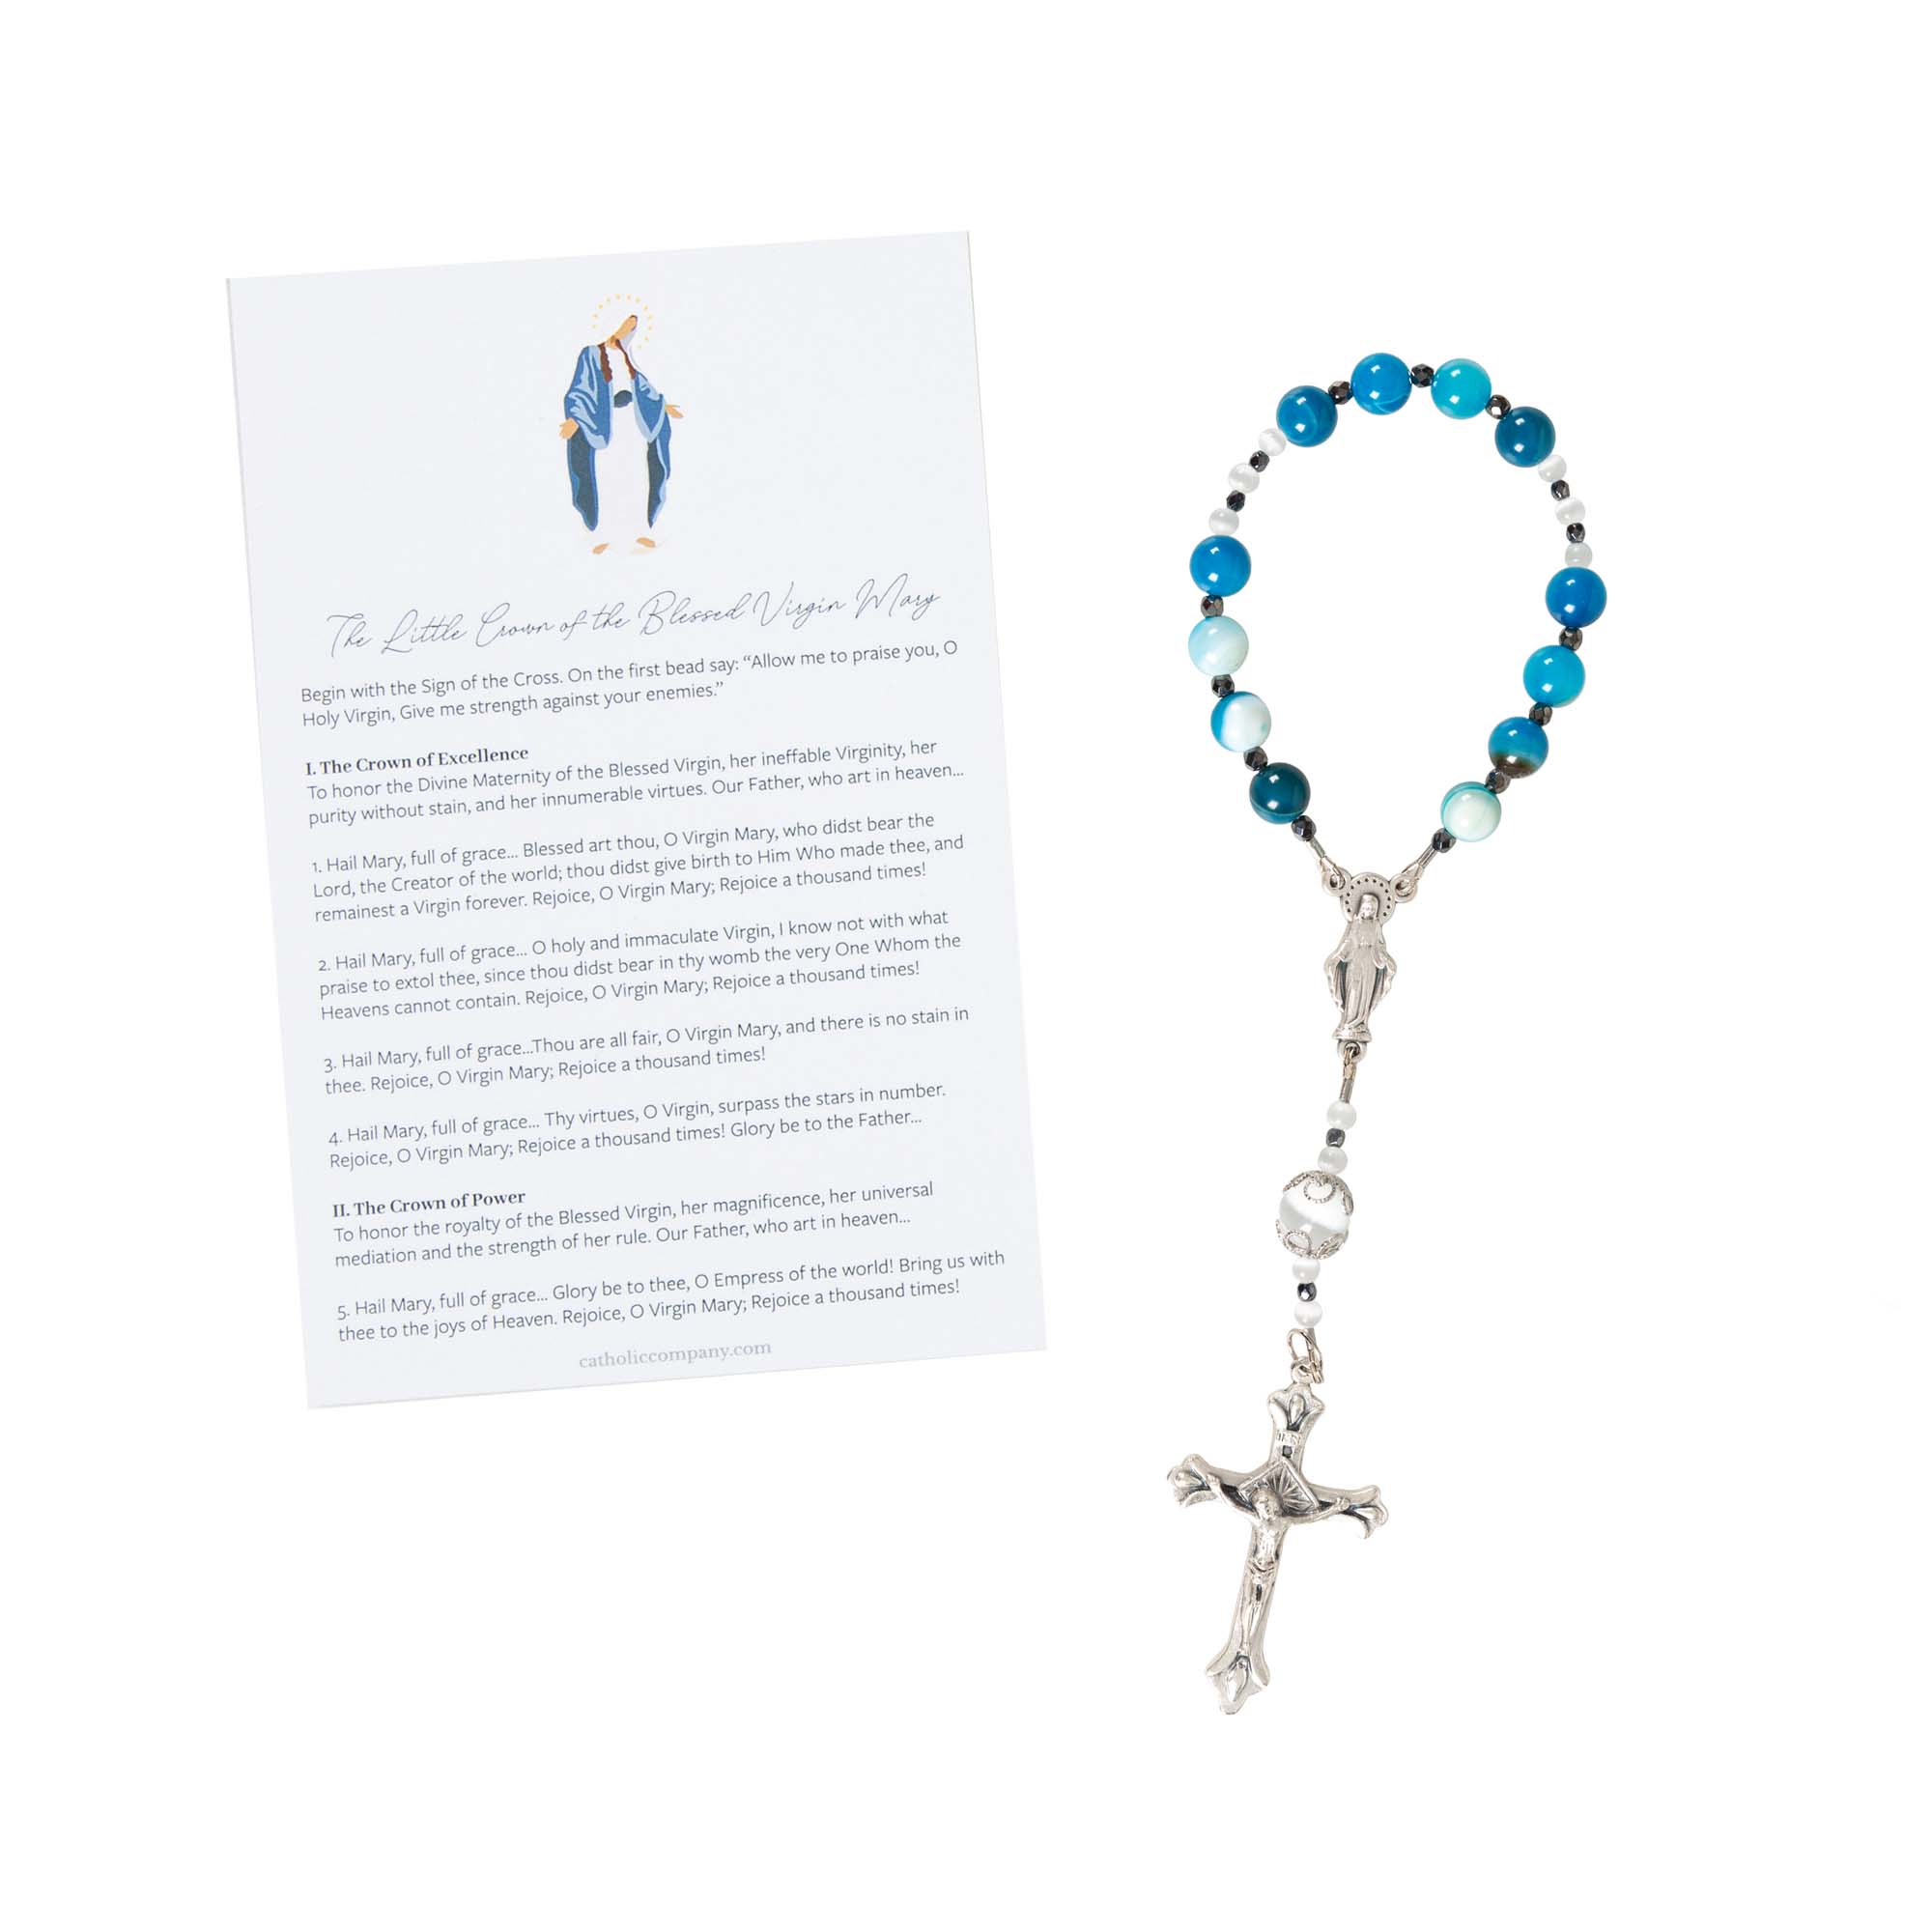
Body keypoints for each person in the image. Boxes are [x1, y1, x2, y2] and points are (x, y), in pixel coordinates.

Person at [558, 313, 683, 554]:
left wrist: (663, 406)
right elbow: (579, 390)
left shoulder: (626, 356)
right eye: (626, 323)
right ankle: (602, 535)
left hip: (632, 426)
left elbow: (642, 388)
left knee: (636, 475)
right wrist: (575, 418)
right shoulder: (591, 354)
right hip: (606, 427)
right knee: (607, 478)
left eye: (632, 326)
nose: (629, 329)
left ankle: (640, 530)